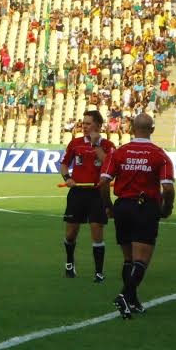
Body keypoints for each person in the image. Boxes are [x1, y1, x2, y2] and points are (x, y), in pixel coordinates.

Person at [99, 114, 175, 319]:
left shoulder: (118, 153)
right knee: (141, 259)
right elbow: (167, 187)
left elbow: (104, 182)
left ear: (132, 129)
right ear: (152, 130)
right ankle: (124, 296)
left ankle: (132, 301)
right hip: (145, 207)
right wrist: (167, 207)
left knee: (128, 259)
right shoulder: (160, 155)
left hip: (123, 206)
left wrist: (108, 207)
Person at [59, 110, 116, 282]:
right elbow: (64, 164)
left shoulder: (108, 145)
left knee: (97, 230)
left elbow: (109, 164)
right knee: (71, 234)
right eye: (83, 123)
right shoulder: (74, 143)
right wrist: (67, 178)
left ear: (98, 126)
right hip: (77, 193)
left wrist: (95, 144)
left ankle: (99, 272)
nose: (84, 126)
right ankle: (69, 263)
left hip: (97, 194)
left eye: (88, 123)